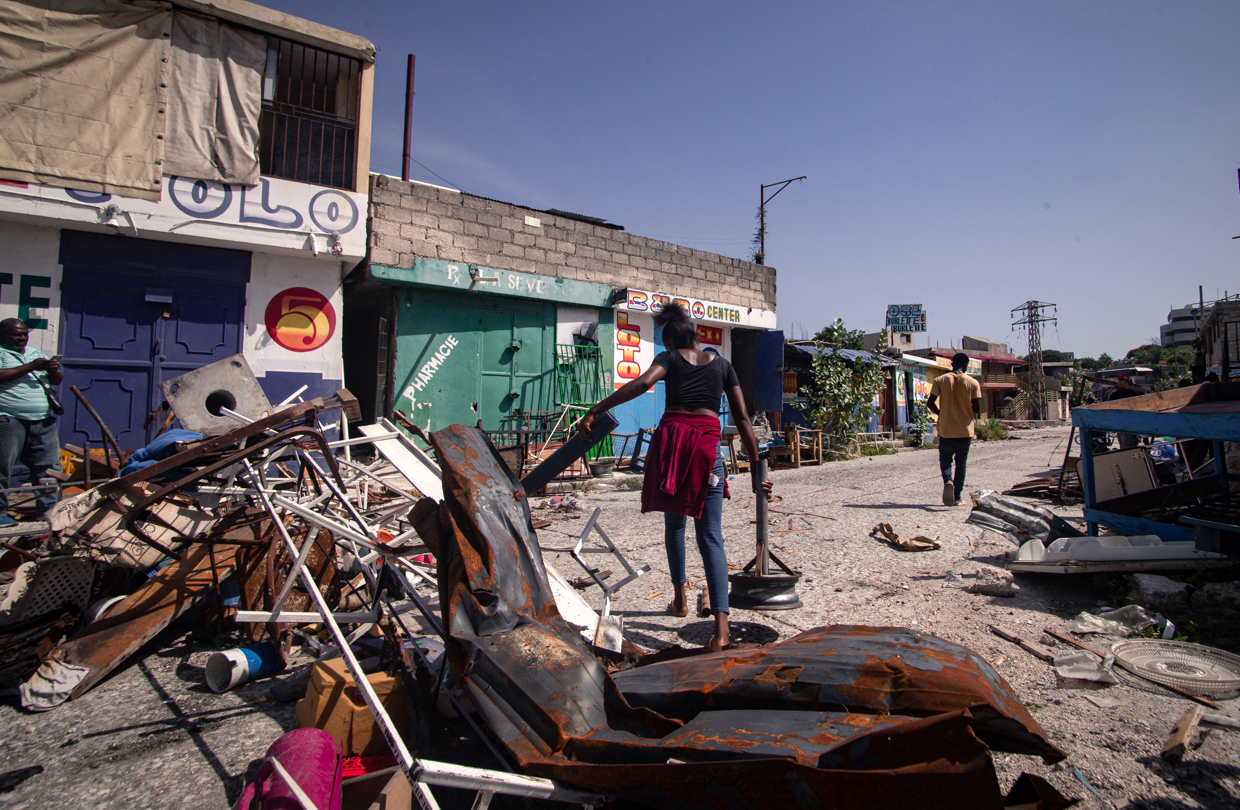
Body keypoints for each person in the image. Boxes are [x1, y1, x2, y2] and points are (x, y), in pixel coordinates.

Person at [576, 303, 770, 651]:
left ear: (670, 341)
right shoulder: (724, 365)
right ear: (695, 335)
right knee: (711, 535)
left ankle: (680, 599)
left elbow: (642, 384)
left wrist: (596, 409)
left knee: (675, 527)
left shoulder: (670, 359)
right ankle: (722, 632)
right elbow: (742, 418)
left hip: (673, 452)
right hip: (707, 454)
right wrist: (757, 470)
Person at [0, 319, 62, 526]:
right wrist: (30, 367)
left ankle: (48, 514)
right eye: (16, 335)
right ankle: (0, 515)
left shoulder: (36, 353)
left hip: (43, 421)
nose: (22, 338)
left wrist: (52, 370)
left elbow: (56, 380)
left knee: (49, 470)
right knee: (2, 469)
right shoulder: (1, 353)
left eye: (24, 334)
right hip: (9, 420)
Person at [927, 352, 981, 506]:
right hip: (965, 429)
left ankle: (948, 481)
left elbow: (930, 403)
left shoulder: (940, 380)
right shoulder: (972, 382)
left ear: (952, 364)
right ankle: (957, 497)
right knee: (961, 462)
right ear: (966, 365)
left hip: (946, 429)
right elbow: (977, 408)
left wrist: (941, 413)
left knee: (945, 459)